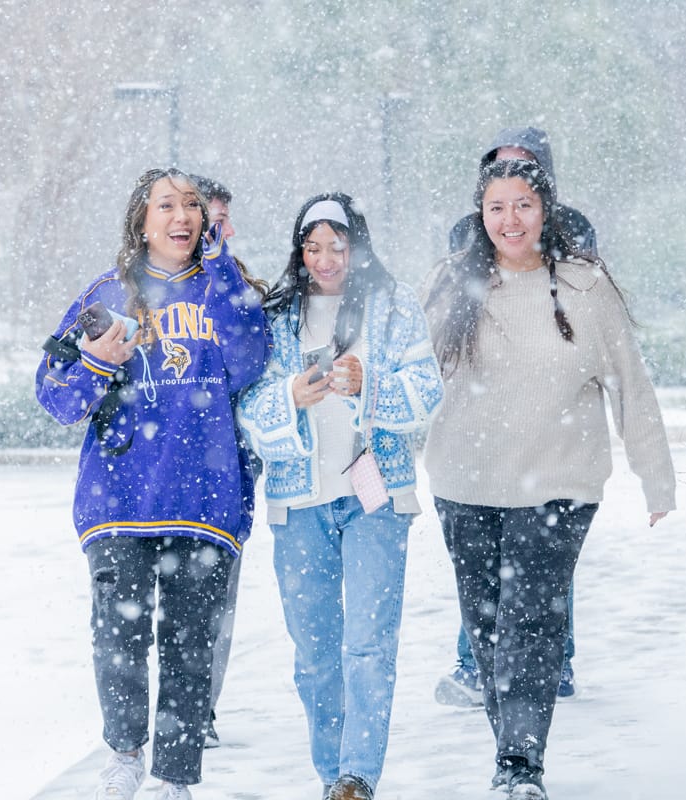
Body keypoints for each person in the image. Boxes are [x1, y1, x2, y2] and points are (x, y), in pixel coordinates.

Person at [421, 158, 676, 798]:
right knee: (484, 629)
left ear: (546, 212)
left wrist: (656, 476)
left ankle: (520, 767)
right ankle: (511, 748)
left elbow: (632, 387)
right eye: (498, 207)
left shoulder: (587, 289)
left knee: (532, 624)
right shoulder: (451, 285)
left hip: (558, 486)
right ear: (481, 216)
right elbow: (409, 383)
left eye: (525, 205)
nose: (511, 220)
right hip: (465, 483)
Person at [35, 167, 269, 800]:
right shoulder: (105, 293)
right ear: (142, 219)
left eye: (191, 204)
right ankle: (124, 753)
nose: (182, 216)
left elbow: (250, 363)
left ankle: (173, 778)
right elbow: (54, 395)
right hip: (118, 497)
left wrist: (223, 273)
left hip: (205, 497)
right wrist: (95, 362)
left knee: (191, 646)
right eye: (166, 204)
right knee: (118, 634)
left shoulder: (228, 287)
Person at [238, 193, 443, 800]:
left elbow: (429, 391)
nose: (325, 260)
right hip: (298, 504)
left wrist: (370, 385)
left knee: (369, 643)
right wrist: (288, 399)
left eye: (337, 246)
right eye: (312, 247)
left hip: (376, 497)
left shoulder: (394, 306)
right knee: (315, 651)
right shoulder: (277, 318)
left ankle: (357, 776)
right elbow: (246, 409)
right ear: (298, 252)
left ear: (358, 247)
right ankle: (331, 772)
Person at [435, 126, 597, 709]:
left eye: (525, 169)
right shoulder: (463, 233)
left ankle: (555, 663)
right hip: (482, 412)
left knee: (542, 567)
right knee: (483, 564)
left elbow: (581, 304)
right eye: (500, 169)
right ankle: (477, 664)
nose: (511, 192)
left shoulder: (573, 229)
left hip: (550, 421)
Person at [187, 173, 269, 749]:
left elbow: (247, 363)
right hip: (159, 473)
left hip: (223, 470)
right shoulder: (139, 291)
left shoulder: (236, 287)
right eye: (217, 220)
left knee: (214, 599)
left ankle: (196, 710)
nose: (228, 231)